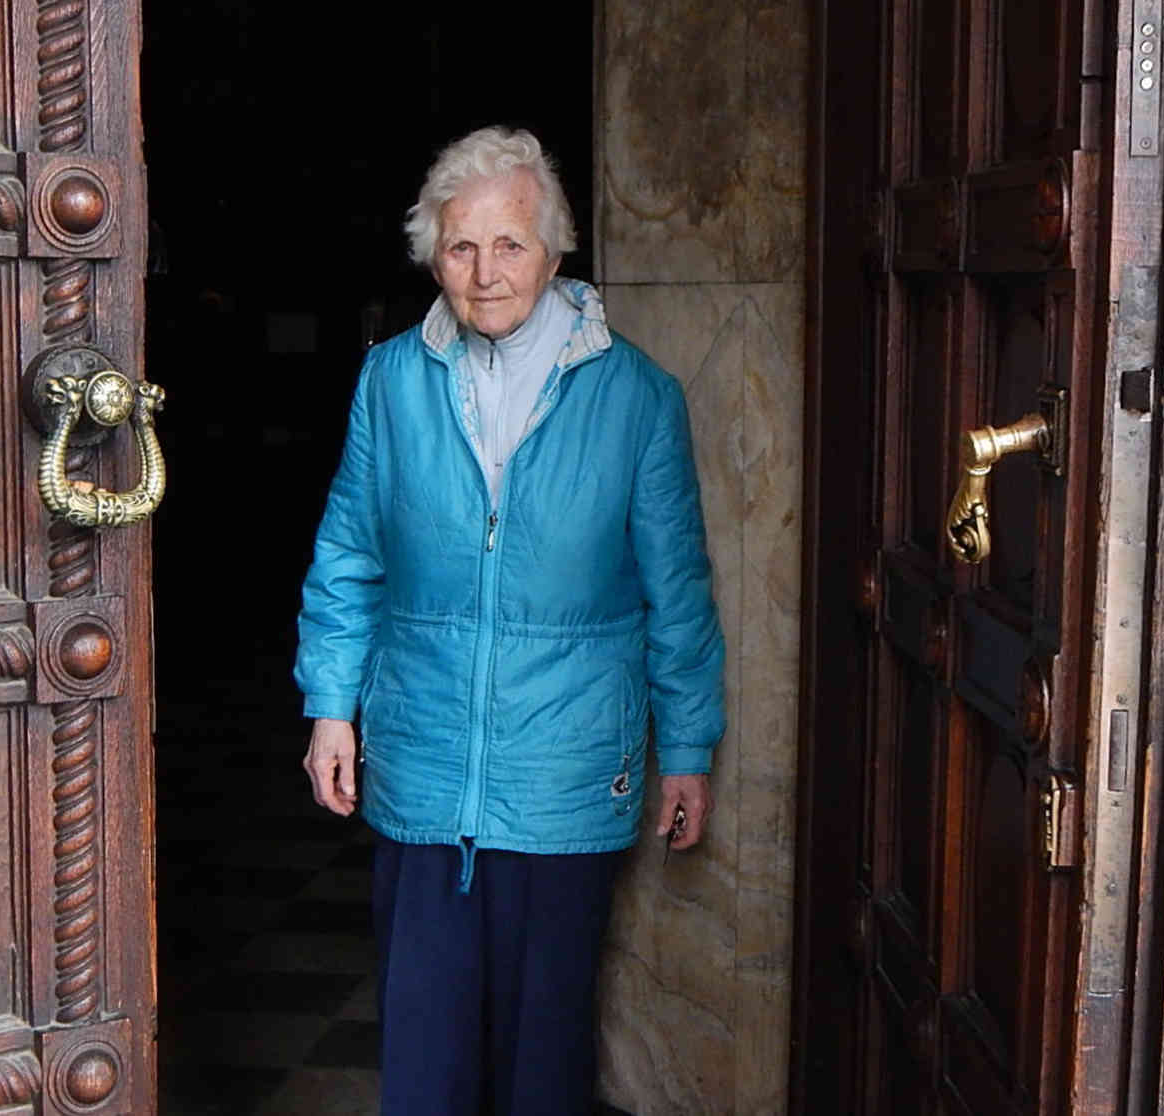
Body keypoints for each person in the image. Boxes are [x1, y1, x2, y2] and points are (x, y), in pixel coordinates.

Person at [295, 125, 725, 1115]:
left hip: (567, 769)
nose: (484, 273)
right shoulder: (392, 379)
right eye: (460, 246)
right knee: (424, 1046)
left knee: (543, 1057)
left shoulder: (636, 397)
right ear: (430, 254)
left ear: (555, 251)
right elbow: (348, 555)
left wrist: (690, 745)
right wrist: (331, 707)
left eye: (509, 245)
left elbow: (678, 591)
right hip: (424, 758)